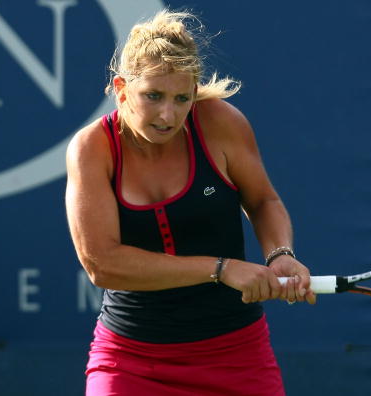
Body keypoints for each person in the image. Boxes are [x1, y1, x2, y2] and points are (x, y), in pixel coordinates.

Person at [65, 9, 315, 396]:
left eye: (182, 98)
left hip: (236, 354)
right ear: (121, 89)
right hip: (131, 361)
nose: (168, 114)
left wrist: (279, 253)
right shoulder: (91, 149)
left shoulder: (220, 123)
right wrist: (221, 269)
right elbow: (102, 264)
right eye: (153, 96)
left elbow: (263, 200)